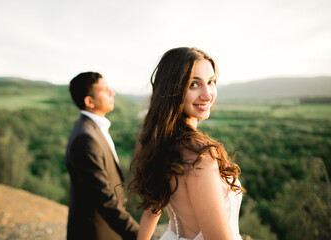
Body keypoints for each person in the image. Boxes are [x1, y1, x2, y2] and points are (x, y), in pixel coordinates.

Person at [129, 47, 244, 240]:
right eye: (193, 85)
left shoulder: (162, 143)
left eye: (211, 82)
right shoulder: (200, 154)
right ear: (172, 90)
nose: (208, 95)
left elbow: (151, 210)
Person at [65, 72, 139, 240]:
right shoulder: (85, 138)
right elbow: (103, 197)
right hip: (95, 233)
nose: (112, 93)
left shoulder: (91, 128)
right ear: (89, 101)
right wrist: (139, 235)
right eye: (105, 90)